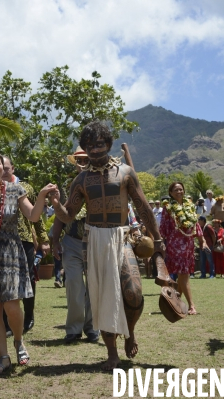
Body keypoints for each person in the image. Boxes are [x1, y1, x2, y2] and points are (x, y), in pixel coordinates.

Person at [51, 121, 165, 371]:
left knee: (134, 292)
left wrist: (157, 239)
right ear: (84, 147)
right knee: (102, 298)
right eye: (89, 146)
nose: (94, 150)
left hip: (121, 236)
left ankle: (130, 332)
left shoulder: (125, 173)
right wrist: (56, 204)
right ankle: (111, 353)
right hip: (94, 240)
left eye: (99, 145)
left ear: (109, 144)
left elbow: (144, 207)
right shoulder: (81, 180)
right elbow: (68, 215)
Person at [0, 149, 54, 376]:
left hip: (10, 255)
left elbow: (33, 216)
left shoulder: (16, 191)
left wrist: (42, 195)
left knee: (12, 305)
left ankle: (18, 341)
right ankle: (3, 359)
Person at [52, 147, 100, 343]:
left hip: (94, 241)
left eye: (86, 159)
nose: (82, 162)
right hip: (71, 242)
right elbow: (60, 216)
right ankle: (73, 329)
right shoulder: (66, 186)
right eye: (79, 159)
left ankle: (92, 328)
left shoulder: (100, 184)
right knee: (73, 285)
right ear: (75, 162)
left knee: (94, 286)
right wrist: (54, 240)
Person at [1, 156, 50, 335]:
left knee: (28, 278)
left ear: (13, 168)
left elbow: (37, 217)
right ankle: (6, 322)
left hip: (25, 239)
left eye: (7, 168)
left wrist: (44, 240)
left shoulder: (26, 187)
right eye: (1, 168)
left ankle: (29, 316)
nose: (3, 171)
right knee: (5, 281)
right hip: (3, 241)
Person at [159, 181, 207, 315]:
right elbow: (163, 227)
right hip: (175, 244)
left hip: (188, 244)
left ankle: (175, 302)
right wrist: (161, 243)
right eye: (175, 190)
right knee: (184, 274)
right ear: (170, 193)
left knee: (183, 274)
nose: (179, 192)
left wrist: (201, 240)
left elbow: (196, 225)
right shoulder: (168, 208)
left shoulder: (190, 206)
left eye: (181, 189)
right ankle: (192, 305)